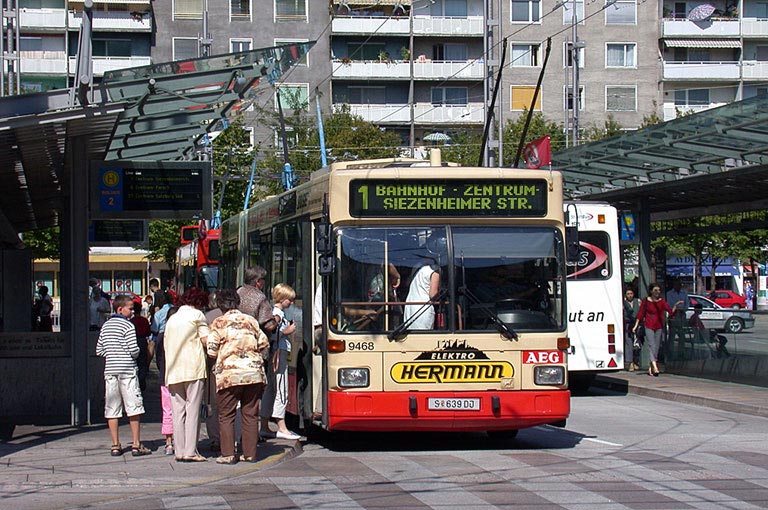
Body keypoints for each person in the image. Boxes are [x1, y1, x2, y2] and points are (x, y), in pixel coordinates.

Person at [207, 289, 270, 464]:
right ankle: (250, 454)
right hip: (253, 373)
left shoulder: (218, 322)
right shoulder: (250, 320)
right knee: (250, 414)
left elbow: (211, 350)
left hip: (229, 374)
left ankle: (228, 454)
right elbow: (263, 342)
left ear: (220, 306)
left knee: (226, 415)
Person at [95, 295, 151, 457]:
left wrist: (112, 353)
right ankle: (135, 444)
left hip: (111, 370)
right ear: (120, 309)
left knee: (112, 408)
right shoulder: (128, 326)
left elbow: (99, 350)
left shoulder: (105, 326)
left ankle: (115, 445)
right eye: (131, 308)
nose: (133, 311)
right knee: (133, 407)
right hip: (127, 370)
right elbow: (134, 350)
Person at [163, 287, 210, 462]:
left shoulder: (172, 319)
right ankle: (191, 451)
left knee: (178, 412)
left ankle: (179, 451)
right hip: (193, 368)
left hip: (173, 370)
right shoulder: (197, 316)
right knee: (192, 410)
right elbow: (206, 340)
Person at [260, 283, 301, 440]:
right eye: (289, 300)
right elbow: (274, 332)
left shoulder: (271, 310)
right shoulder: (279, 314)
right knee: (281, 388)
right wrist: (288, 332)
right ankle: (282, 426)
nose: (291, 303)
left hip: (273, 353)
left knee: (270, 388)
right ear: (283, 299)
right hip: (280, 352)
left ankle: (264, 425)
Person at [633, 282, 683, 377]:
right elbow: (640, 314)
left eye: (659, 290)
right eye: (655, 290)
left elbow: (670, 312)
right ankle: (655, 366)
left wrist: (676, 306)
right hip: (649, 325)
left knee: (656, 346)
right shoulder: (646, 301)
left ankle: (651, 365)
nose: (657, 292)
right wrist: (636, 326)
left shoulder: (662, 301)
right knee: (652, 345)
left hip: (659, 325)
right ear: (651, 291)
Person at [154, 303, 177, 456]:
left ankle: (169, 442)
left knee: (167, 410)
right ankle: (182, 441)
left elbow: (158, 357)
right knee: (182, 410)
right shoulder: (185, 336)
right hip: (181, 377)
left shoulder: (162, 337)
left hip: (165, 377)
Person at [204, 291, 224, 454]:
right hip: (232, 365)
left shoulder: (207, 317)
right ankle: (230, 438)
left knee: (213, 405)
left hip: (213, 365)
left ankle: (215, 438)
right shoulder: (234, 316)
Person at [237, 266, 277, 334]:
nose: (265, 282)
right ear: (258, 281)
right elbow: (269, 326)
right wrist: (277, 318)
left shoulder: (238, 292)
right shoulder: (260, 297)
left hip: (234, 337)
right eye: (264, 279)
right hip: (251, 338)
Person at [131, 301, 153, 393]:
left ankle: (136, 381)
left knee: (134, 362)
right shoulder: (144, 320)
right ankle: (142, 380)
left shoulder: (131, 322)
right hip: (143, 341)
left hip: (133, 341)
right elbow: (148, 332)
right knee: (143, 362)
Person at [665, 278, 690, 360]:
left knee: (682, 335)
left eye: (679, 284)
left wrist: (683, 309)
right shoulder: (669, 294)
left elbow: (687, 304)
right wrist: (675, 307)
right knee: (672, 335)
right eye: (676, 284)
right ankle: (670, 352)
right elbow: (669, 305)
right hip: (673, 315)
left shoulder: (684, 293)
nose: (678, 286)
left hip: (682, 315)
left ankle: (681, 352)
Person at [622, 287, 640, 371]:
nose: (630, 295)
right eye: (628, 294)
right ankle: (630, 363)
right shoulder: (624, 303)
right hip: (628, 324)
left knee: (637, 343)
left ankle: (636, 361)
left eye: (631, 293)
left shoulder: (638, 301)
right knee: (629, 343)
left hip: (637, 323)